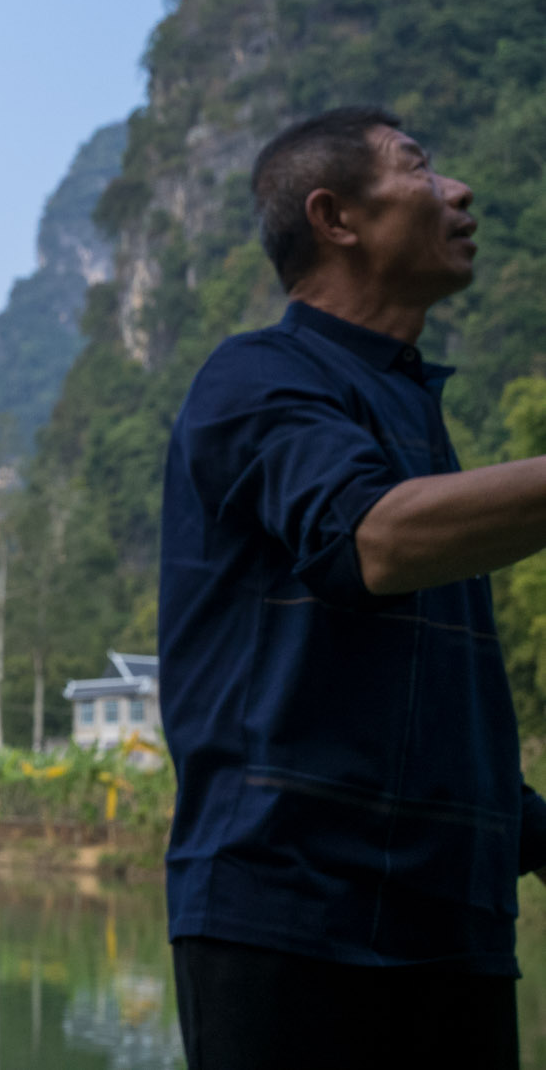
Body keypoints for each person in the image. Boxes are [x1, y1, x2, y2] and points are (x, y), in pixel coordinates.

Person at [162, 106, 546, 1069]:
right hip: (287, 917)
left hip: (453, 924)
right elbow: (367, 541)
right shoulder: (257, 376)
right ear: (335, 216)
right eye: (420, 168)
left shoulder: (415, 413)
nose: (459, 191)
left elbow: (428, 706)